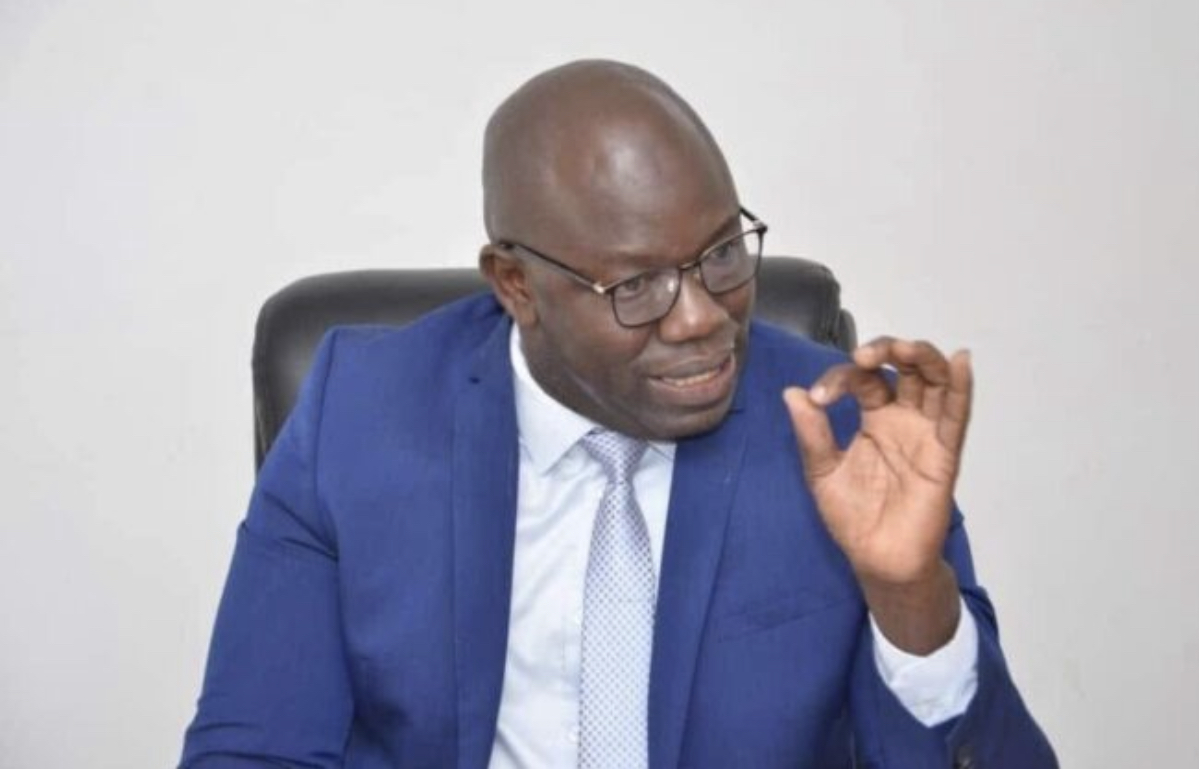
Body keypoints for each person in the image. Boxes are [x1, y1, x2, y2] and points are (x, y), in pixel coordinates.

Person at [180, 60, 1056, 768]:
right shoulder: (361, 413)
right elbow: (255, 745)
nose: (701, 317)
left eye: (721, 253)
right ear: (516, 285)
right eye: (636, 285)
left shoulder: (842, 427)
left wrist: (909, 599)